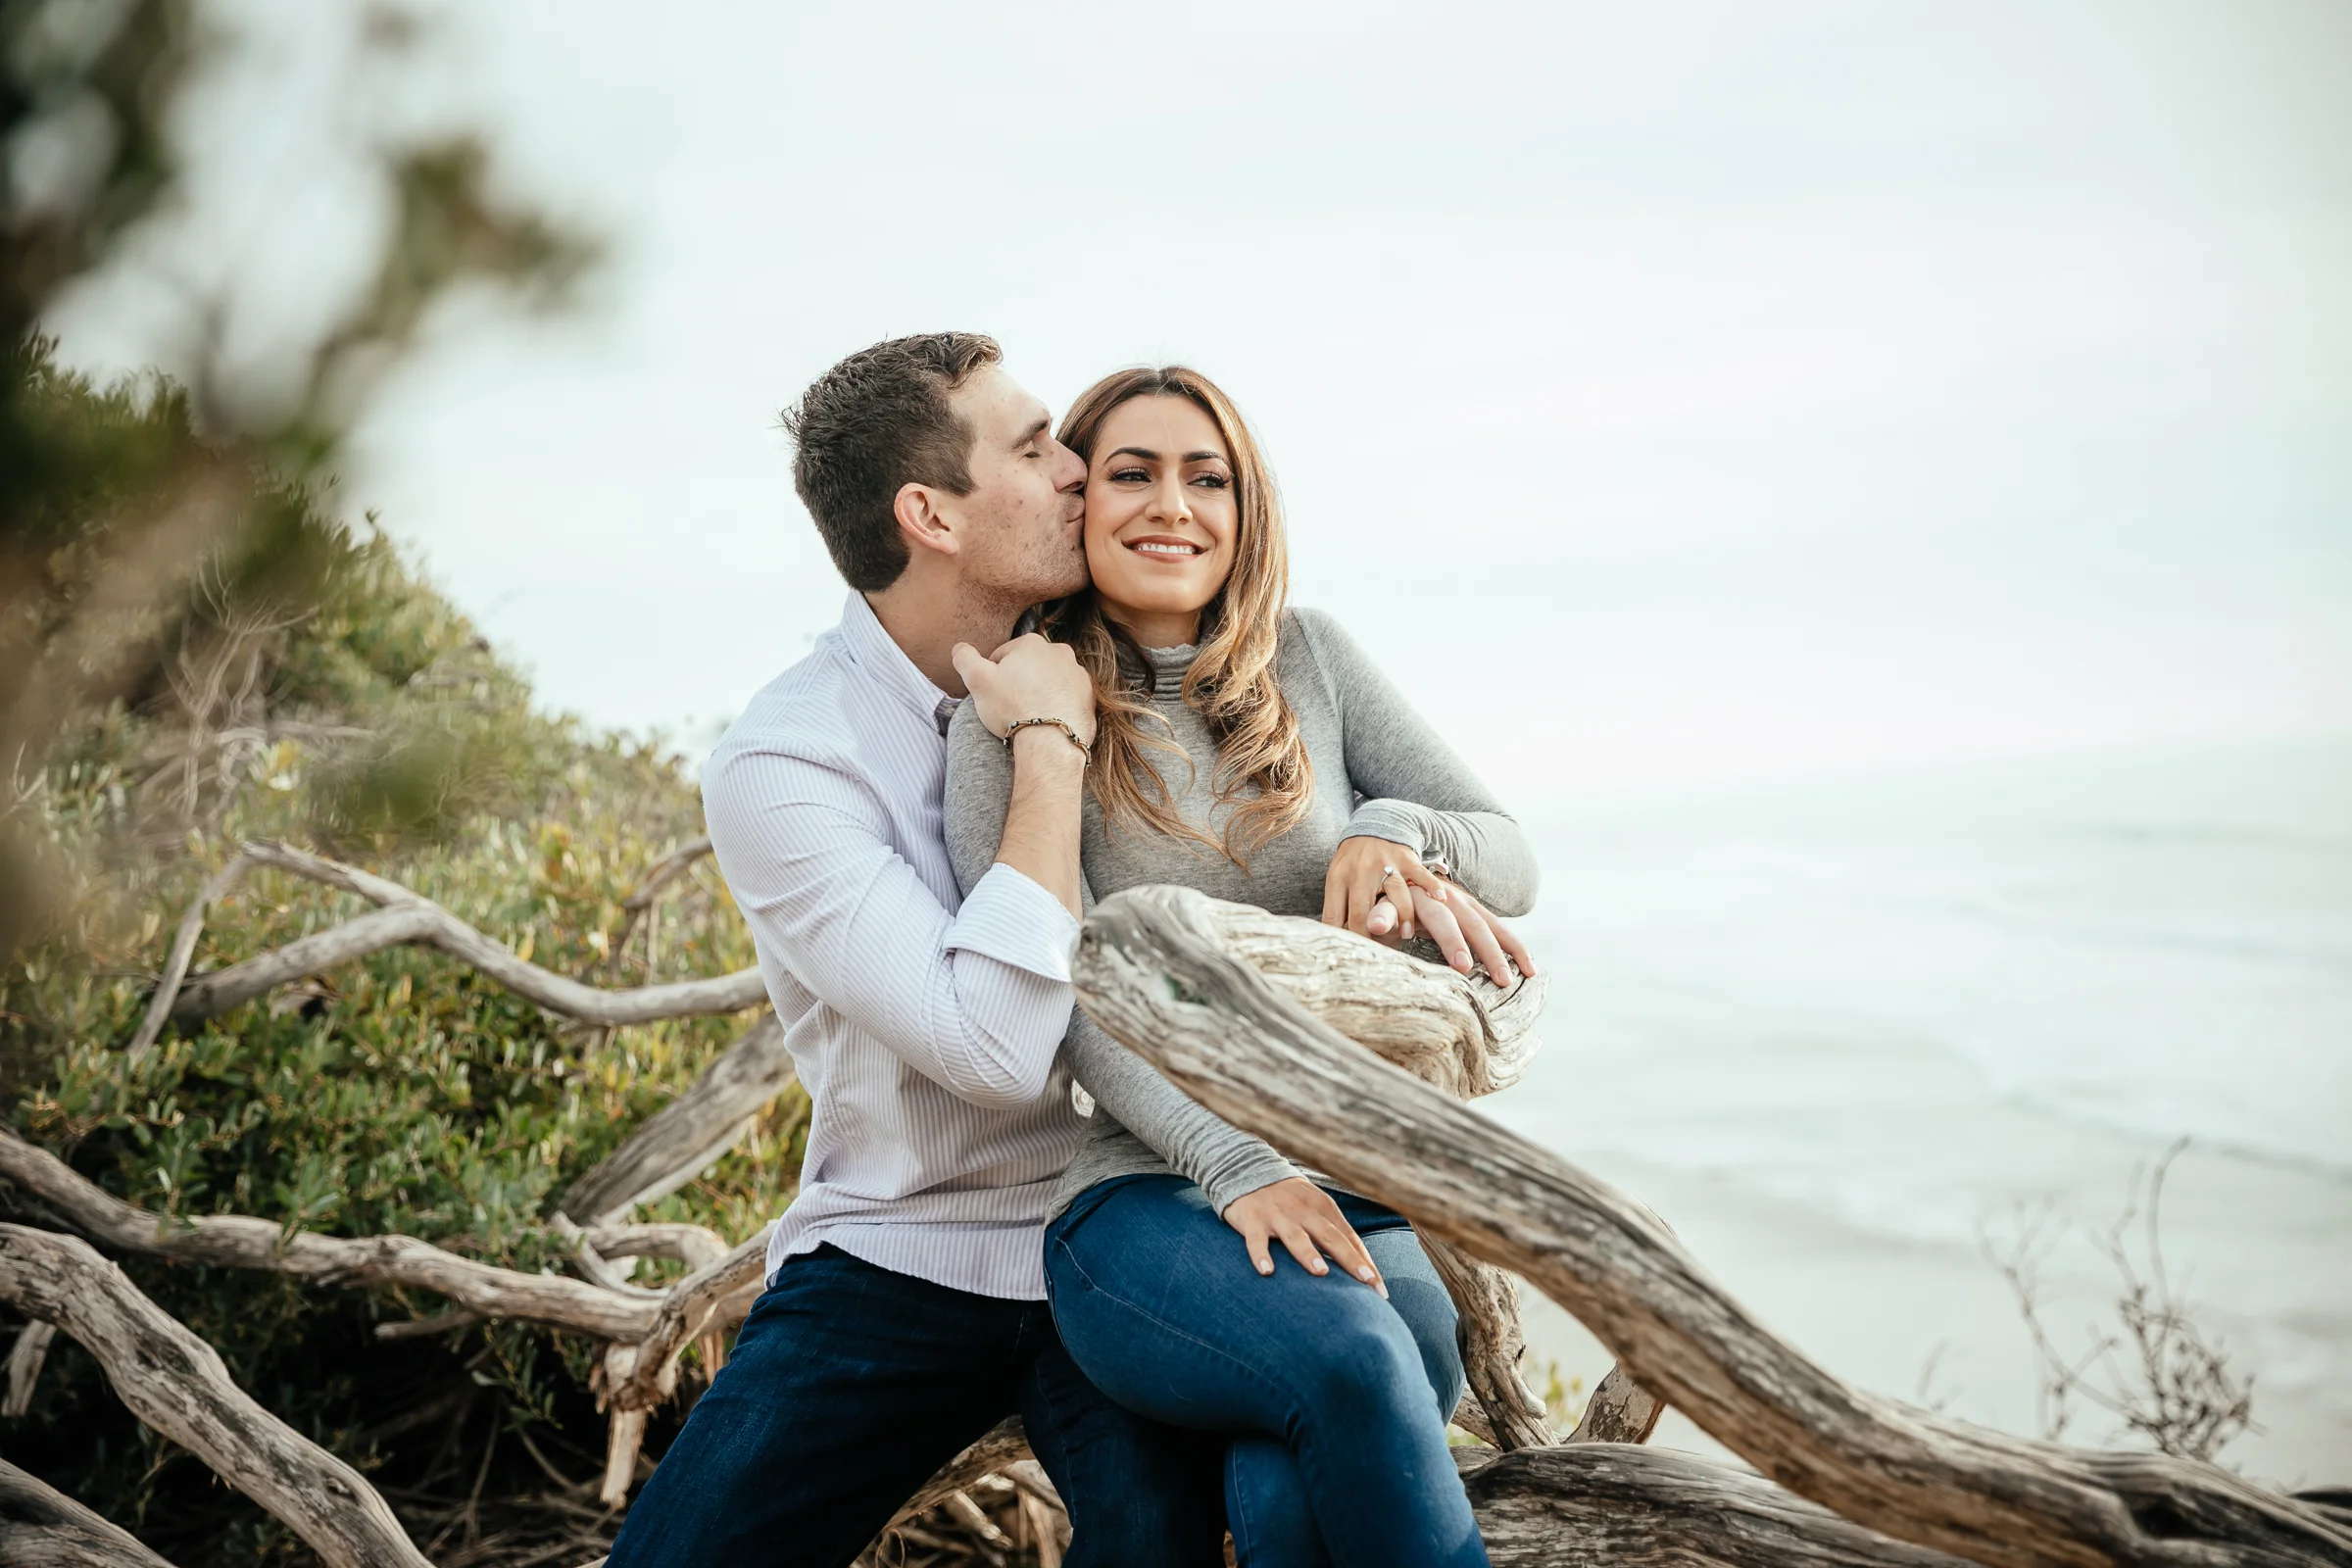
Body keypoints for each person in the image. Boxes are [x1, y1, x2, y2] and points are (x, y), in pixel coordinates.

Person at [605, 335, 1226, 1568]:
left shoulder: (1137, 655)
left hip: (1117, 1226)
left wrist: (1399, 840)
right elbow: (991, 1050)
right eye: (1035, 448)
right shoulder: (788, 762)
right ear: (930, 515)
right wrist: (1047, 748)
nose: (1078, 466)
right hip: (899, 1248)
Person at [945, 366, 1538, 1568]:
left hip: (1354, 1183)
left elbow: (1510, 855)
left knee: (1293, 1489)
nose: (1173, 506)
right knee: (1357, 1358)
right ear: (1082, 502)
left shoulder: (1310, 658)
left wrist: (1393, 830)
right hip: (1145, 1199)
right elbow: (1063, 991)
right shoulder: (1014, 713)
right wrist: (1235, 1164)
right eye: (1134, 473)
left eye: (1206, 479)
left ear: (1244, 507)